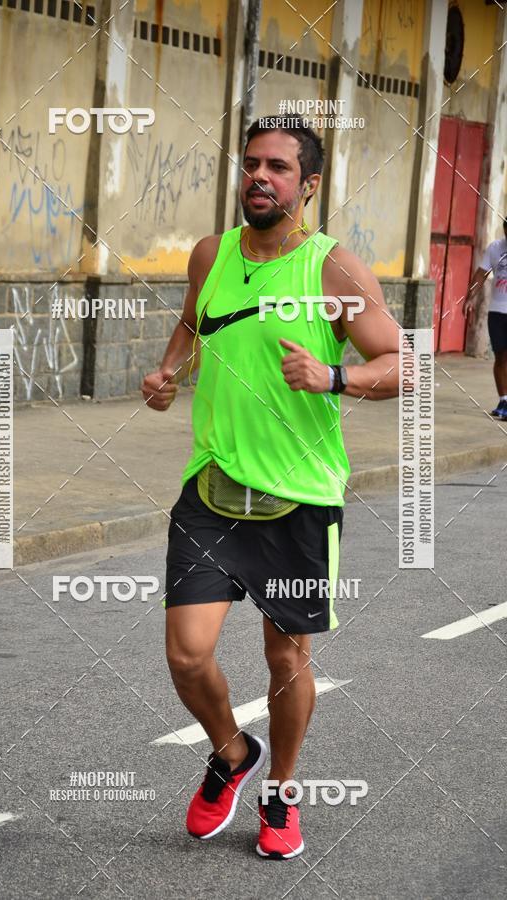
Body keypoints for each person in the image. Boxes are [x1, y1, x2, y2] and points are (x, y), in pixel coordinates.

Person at [141, 117, 400, 860]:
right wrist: (170, 374)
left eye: (279, 167)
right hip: (213, 488)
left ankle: (282, 790)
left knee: (286, 661)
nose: (261, 176)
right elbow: (193, 326)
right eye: (252, 163)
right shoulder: (210, 253)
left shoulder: (333, 270)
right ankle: (230, 754)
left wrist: (336, 376)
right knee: (188, 656)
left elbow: (399, 365)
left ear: (308, 184)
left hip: (300, 498)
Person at [463, 217, 507, 419]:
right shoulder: (495, 248)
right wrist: (469, 298)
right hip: (497, 311)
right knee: (501, 357)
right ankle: (504, 400)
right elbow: (481, 274)